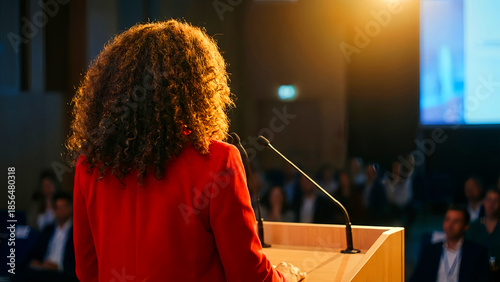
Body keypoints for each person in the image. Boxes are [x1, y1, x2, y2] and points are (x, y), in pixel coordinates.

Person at [65, 20, 305, 282]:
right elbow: (247, 275)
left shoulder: (89, 165)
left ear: (111, 89)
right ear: (196, 86)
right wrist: (287, 277)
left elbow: (87, 272)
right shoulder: (217, 161)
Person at [411, 205, 489, 282]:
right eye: (447, 220)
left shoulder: (476, 252)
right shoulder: (430, 250)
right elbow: (417, 278)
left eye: (456, 221)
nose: (450, 225)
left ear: (465, 226)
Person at [16, 192, 77, 282]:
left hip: (62, 271)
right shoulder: (48, 229)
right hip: (44, 267)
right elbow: (36, 249)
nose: (60, 210)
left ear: (70, 208)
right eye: (57, 207)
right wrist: (35, 261)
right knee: (20, 272)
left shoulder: (76, 231)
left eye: (63, 207)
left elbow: (74, 259)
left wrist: (59, 266)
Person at [466, 188, 500, 280]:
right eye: (489, 200)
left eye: (496, 201)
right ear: (484, 202)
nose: (491, 204)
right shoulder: (473, 227)